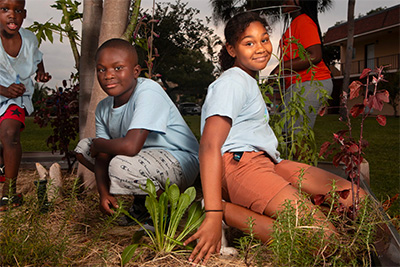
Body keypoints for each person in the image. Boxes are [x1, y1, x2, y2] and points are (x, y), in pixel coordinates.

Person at [183, 12, 365, 264]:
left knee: (357, 200)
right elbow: (209, 145)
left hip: (267, 162)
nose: (260, 48)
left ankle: (289, 212)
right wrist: (214, 214)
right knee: (325, 242)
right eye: (249, 42)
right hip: (239, 165)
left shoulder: (247, 80)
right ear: (232, 49)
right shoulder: (232, 83)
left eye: (264, 40)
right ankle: (225, 211)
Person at [74, 38, 199, 220]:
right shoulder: (103, 107)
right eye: (102, 69)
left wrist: (101, 144)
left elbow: (131, 147)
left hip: (179, 160)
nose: (108, 75)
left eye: (118, 68)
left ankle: (165, 211)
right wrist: (103, 193)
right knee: (84, 148)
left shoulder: (148, 91)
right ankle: (142, 204)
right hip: (143, 160)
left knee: (120, 164)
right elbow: (100, 153)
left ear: (135, 71)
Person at [0, 0, 51, 211]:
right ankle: (4, 165)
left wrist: (40, 73)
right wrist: (3, 90)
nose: (12, 15)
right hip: (2, 91)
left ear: (24, 14)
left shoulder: (29, 38)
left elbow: (37, 58)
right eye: (5, 9)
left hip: (16, 97)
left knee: (10, 133)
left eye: (17, 10)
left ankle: (9, 194)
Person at [271, 0, 333, 129]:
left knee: (296, 135)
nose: (282, 1)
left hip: (311, 81)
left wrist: (281, 67)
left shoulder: (304, 21)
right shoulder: (296, 23)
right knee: (287, 132)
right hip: (298, 83)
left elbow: (314, 55)